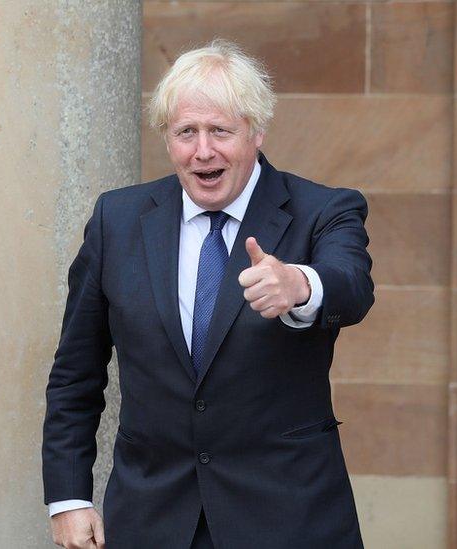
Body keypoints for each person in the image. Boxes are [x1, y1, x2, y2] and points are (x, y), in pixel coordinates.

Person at [42, 39, 373, 549]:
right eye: (185, 132)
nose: (203, 151)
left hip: (288, 518)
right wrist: (68, 497)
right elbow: (75, 373)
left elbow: (352, 285)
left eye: (220, 131)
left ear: (256, 131)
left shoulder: (323, 210)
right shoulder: (118, 219)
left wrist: (300, 285)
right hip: (153, 519)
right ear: (167, 138)